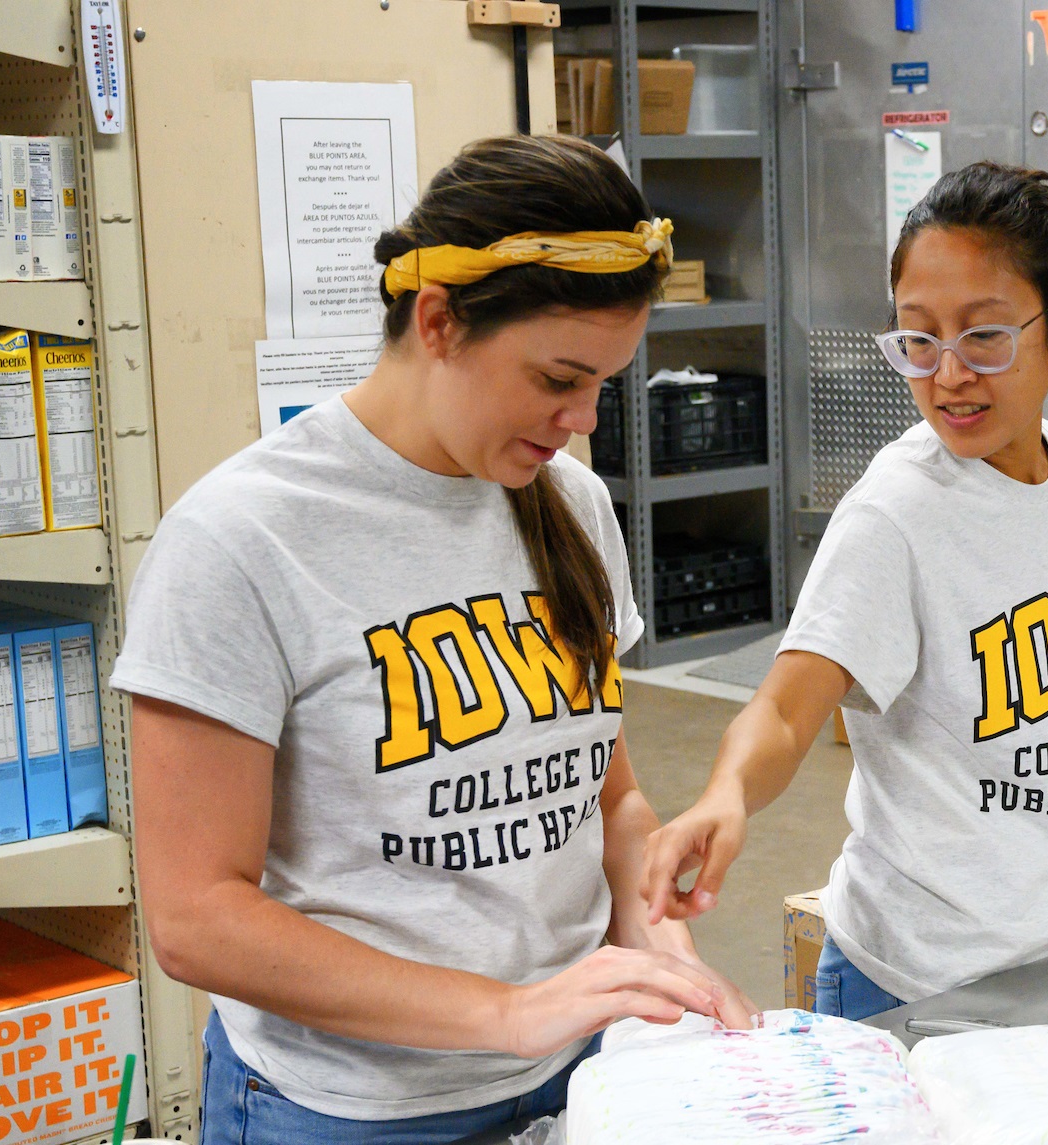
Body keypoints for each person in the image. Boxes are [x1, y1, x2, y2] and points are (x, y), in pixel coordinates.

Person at [113, 135, 752, 1145]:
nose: (583, 421)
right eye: (558, 378)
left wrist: (665, 964)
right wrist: (503, 1012)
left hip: (575, 1071)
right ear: (440, 320)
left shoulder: (570, 505)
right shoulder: (241, 538)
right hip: (352, 1108)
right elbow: (197, 917)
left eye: (604, 386)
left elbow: (611, 797)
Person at [639, 162, 1048, 1021]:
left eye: (985, 337)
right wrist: (725, 795)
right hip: (914, 973)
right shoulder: (894, 515)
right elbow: (786, 709)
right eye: (917, 339)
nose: (948, 374)